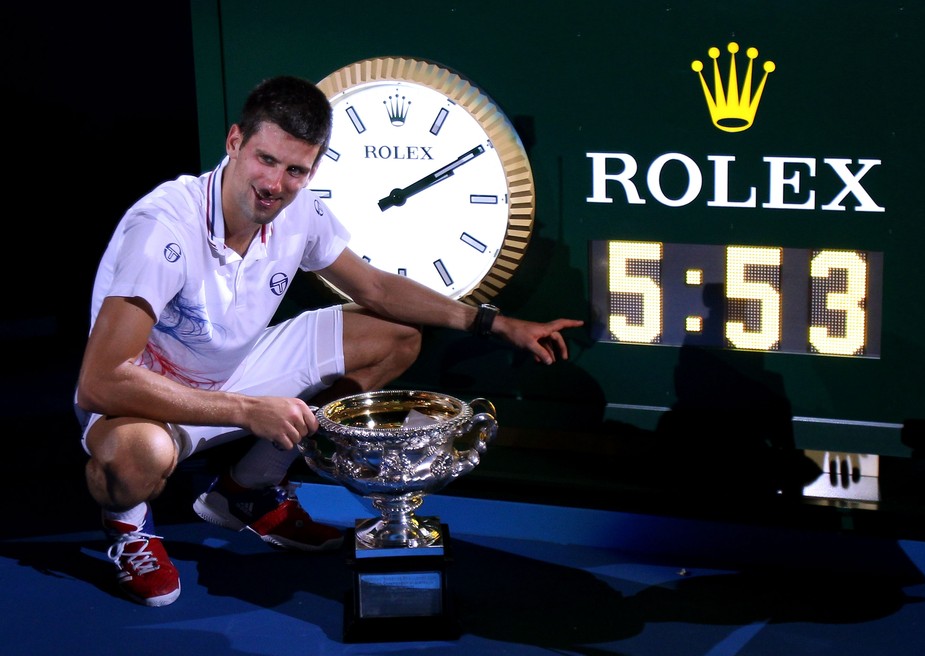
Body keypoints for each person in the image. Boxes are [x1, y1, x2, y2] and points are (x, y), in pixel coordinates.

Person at [74, 75, 583, 607]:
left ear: (313, 169)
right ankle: (128, 528)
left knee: (395, 337)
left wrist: (495, 323)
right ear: (234, 143)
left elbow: (377, 288)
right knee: (139, 457)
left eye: (296, 169)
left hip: (237, 372)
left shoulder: (300, 211)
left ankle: (244, 492)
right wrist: (248, 410)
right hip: (148, 399)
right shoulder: (164, 230)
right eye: (266, 160)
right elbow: (99, 382)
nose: (275, 184)